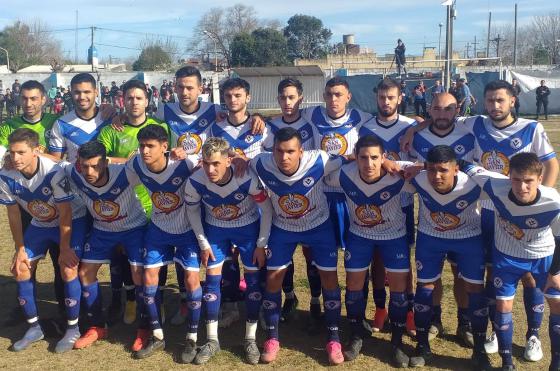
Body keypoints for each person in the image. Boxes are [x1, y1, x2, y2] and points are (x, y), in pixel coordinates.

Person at [401, 79, 559, 359]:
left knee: (529, 275)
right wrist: (415, 127)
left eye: (500, 100)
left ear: (513, 101)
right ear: (483, 103)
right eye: (490, 101)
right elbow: (440, 117)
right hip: (484, 210)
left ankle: (533, 334)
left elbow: (550, 163)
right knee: (492, 273)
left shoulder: (531, 128)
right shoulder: (475, 124)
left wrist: (534, 201)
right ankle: (492, 330)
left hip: (517, 209)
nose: (495, 106)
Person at [251, 127, 346, 365]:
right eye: (279, 151)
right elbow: (239, 161)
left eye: (290, 151)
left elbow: (349, 159)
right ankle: (272, 337)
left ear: (301, 151)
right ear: (271, 151)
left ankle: (334, 337)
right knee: (274, 278)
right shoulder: (261, 163)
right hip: (283, 228)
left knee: (329, 279)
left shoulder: (320, 159)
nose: (284, 157)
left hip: (319, 226)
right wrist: (239, 160)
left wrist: (389, 163)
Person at [459, 153, 560, 371]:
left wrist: (555, 272)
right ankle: (507, 364)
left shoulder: (553, 201)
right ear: (508, 176)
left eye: (528, 181)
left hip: (542, 256)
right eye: (516, 180)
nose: (521, 187)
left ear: (540, 179)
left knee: (558, 303)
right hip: (507, 256)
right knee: (503, 305)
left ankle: (556, 361)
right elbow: (464, 165)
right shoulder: (495, 185)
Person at [324, 135, 413, 366]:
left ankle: (396, 342)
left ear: (384, 157)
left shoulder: (399, 173)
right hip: (359, 235)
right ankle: (356, 334)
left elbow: (433, 171)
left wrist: (397, 165)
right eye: (363, 157)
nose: (369, 163)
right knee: (353, 286)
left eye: (375, 158)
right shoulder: (344, 174)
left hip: (394, 237)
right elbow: (315, 170)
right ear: (356, 157)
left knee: (399, 291)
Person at [184, 137, 273, 365]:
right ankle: (212, 340)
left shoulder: (246, 177)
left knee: (253, 282)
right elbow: (192, 213)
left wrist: (261, 244)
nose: (210, 169)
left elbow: (267, 208)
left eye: (215, 163)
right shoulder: (195, 181)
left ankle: (250, 338)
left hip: (248, 230)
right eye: (205, 163)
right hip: (216, 231)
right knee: (212, 282)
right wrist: (203, 244)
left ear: (228, 160)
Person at [0, 129, 88, 353]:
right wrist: (20, 248)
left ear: (36, 151)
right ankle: (34, 328)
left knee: (68, 269)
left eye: (21, 152)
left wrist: (65, 248)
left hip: (72, 220)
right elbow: (13, 215)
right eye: (12, 153)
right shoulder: (5, 175)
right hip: (41, 224)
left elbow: (66, 212)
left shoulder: (54, 172)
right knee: (21, 268)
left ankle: (72, 328)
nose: (15, 158)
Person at [404, 145, 489, 369]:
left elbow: (505, 184)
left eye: (443, 170)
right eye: (431, 170)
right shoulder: (420, 178)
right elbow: (391, 165)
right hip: (431, 237)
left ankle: (479, 349)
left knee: (475, 291)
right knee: (425, 288)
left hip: (468, 237)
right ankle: (422, 344)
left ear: (456, 169)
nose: (436, 176)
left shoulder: (473, 182)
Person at [300, 77, 373, 331]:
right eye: (329, 94)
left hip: (351, 197)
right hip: (320, 196)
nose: (333, 99)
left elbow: (391, 125)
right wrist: (255, 117)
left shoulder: (362, 118)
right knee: (316, 256)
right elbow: (284, 115)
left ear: (348, 97)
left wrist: (415, 126)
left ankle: (359, 311)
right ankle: (316, 301)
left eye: (338, 95)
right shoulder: (311, 115)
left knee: (357, 257)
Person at [97, 79, 169, 326]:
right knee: (125, 257)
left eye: (139, 98)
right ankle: (130, 300)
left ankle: (157, 301)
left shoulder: (159, 128)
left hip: (156, 204)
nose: (134, 102)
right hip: (125, 207)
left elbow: (168, 158)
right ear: (122, 101)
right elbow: (100, 160)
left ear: (147, 101)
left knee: (157, 257)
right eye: (129, 98)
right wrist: (127, 159)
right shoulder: (111, 130)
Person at [408, 92, 477, 346]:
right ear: (429, 110)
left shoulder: (471, 130)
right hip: (431, 222)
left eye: (448, 109)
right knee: (430, 277)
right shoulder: (417, 137)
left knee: (461, 275)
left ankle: (464, 322)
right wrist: (414, 129)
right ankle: (435, 319)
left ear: (457, 109)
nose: (442, 114)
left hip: (466, 222)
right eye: (436, 109)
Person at [125, 125, 198, 359]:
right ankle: (157, 335)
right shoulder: (136, 164)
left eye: (150, 146)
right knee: (148, 278)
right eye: (142, 146)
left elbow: (214, 166)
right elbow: (118, 180)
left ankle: (192, 339)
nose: (145, 151)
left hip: (187, 229)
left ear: (165, 147)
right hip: (158, 228)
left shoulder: (184, 164)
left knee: (191, 279)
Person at [67, 140, 147, 349]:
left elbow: (154, 164)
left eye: (94, 166)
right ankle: (97, 326)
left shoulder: (125, 173)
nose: (89, 171)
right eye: (85, 166)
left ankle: (145, 328)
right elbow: (47, 164)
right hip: (103, 230)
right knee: (85, 273)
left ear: (105, 163)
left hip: (134, 228)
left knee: (139, 273)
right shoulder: (73, 173)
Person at [359, 78, 417, 336]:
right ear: (377, 98)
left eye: (391, 97)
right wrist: (383, 163)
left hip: (402, 202)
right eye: (382, 97)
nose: (385, 102)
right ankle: (380, 308)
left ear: (400, 98)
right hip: (372, 202)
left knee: (403, 261)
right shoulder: (365, 127)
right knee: (377, 258)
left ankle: (408, 311)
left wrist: (418, 127)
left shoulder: (410, 126)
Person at [49, 73, 114, 163]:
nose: (82, 97)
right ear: (71, 93)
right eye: (77, 92)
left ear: (96, 92)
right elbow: (54, 163)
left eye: (87, 92)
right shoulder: (61, 124)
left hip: (110, 176)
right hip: (75, 177)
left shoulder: (111, 117)